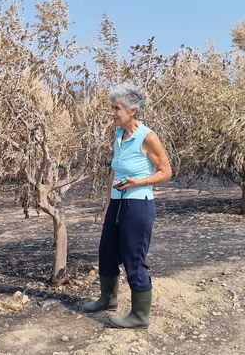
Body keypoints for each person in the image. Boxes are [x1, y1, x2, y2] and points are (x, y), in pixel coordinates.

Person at [82, 82, 173, 329]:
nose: (112, 113)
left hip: (138, 205)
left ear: (132, 110)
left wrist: (139, 182)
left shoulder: (148, 137)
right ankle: (107, 299)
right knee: (107, 252)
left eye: (117, 108)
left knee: (134, 258)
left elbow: (166, 172)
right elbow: (114, 172)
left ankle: (139, 316)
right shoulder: (119, 135)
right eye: (112, 107)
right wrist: (107, 206)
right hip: (117, 204)